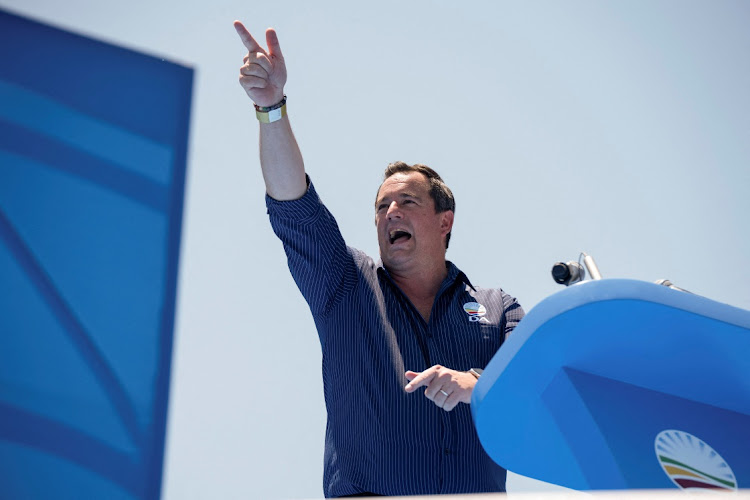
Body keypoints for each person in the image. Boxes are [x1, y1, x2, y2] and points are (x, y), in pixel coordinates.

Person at [233, 21, 525, 498]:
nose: (391, 213)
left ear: (444, 221)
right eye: (381, 207)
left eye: (407, 202)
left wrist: (474, 382)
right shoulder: (343, 283)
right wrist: (270, 108)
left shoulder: (499, 308)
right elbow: (293, 204)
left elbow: (534, 382)